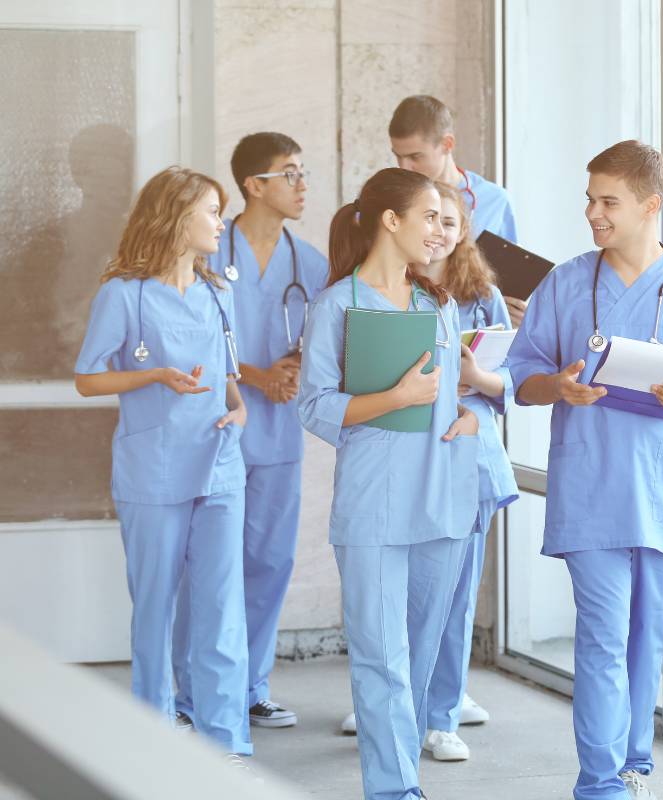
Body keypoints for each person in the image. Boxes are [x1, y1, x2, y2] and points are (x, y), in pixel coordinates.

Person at [505, 141, 663, 800]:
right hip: (591, 485)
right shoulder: (567, 282)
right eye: (590, 200)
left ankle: (634, 764)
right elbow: (521, 377)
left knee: (648, 638)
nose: (593, 213)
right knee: (603, 638)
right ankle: (601, 782)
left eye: (607, 201)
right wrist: (559, 387)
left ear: (650, 205)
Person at [298, 167, 480, 800]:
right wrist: (393, 396)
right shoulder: (336, 307)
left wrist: (468, 415)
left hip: (443, 498)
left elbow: (458, 393)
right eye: (429, 217)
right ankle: (396, 790)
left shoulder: (439, 305)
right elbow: (315, 406)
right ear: (391, 221)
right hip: (374, 504)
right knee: (382, 660)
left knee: (419, 659)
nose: (440, 231)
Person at [74, 166, 253, 765]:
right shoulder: (123, 294)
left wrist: (240, 410)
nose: (219, 222)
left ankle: (225, 742)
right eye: (210, 211)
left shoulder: (219, 293)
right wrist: (152, 375)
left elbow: (230, 380)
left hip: (220, 464)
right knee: (155, 607)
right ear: (175, 217)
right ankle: (151, 735)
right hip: (153, 468)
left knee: (222, 607)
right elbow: (88, 379)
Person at [172, 132, 328, 730]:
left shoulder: (308, 264)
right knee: (210, 563)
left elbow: (326, 337)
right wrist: (259, 376)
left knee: (269, 561)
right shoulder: (210, 250)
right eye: (289, 173)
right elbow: (188, 337)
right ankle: (191, 693)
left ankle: (250, 686)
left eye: (303, 171)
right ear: (253, 186)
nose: (301, 184)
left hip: (280, 434)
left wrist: (294, 369)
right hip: (217, 428)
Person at [411, 182, 518, 761]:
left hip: (469, 458)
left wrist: (474, 379)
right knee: (401, 595)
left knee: (454, 598)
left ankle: (440, 716)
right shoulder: (388, 289)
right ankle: (393, 703)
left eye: (451, 222)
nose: (441, 231)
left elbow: (512, 384)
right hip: (406, 454)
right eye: (432, 219)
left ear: (464, 230)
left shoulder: (485, 299)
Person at [387, 94, 527, 327]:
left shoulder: (495, 201)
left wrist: (510, 308)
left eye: (415, 157)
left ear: (447, 144)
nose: (404, 167)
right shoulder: (390, 201)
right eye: (398, 156)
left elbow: (510, 281)